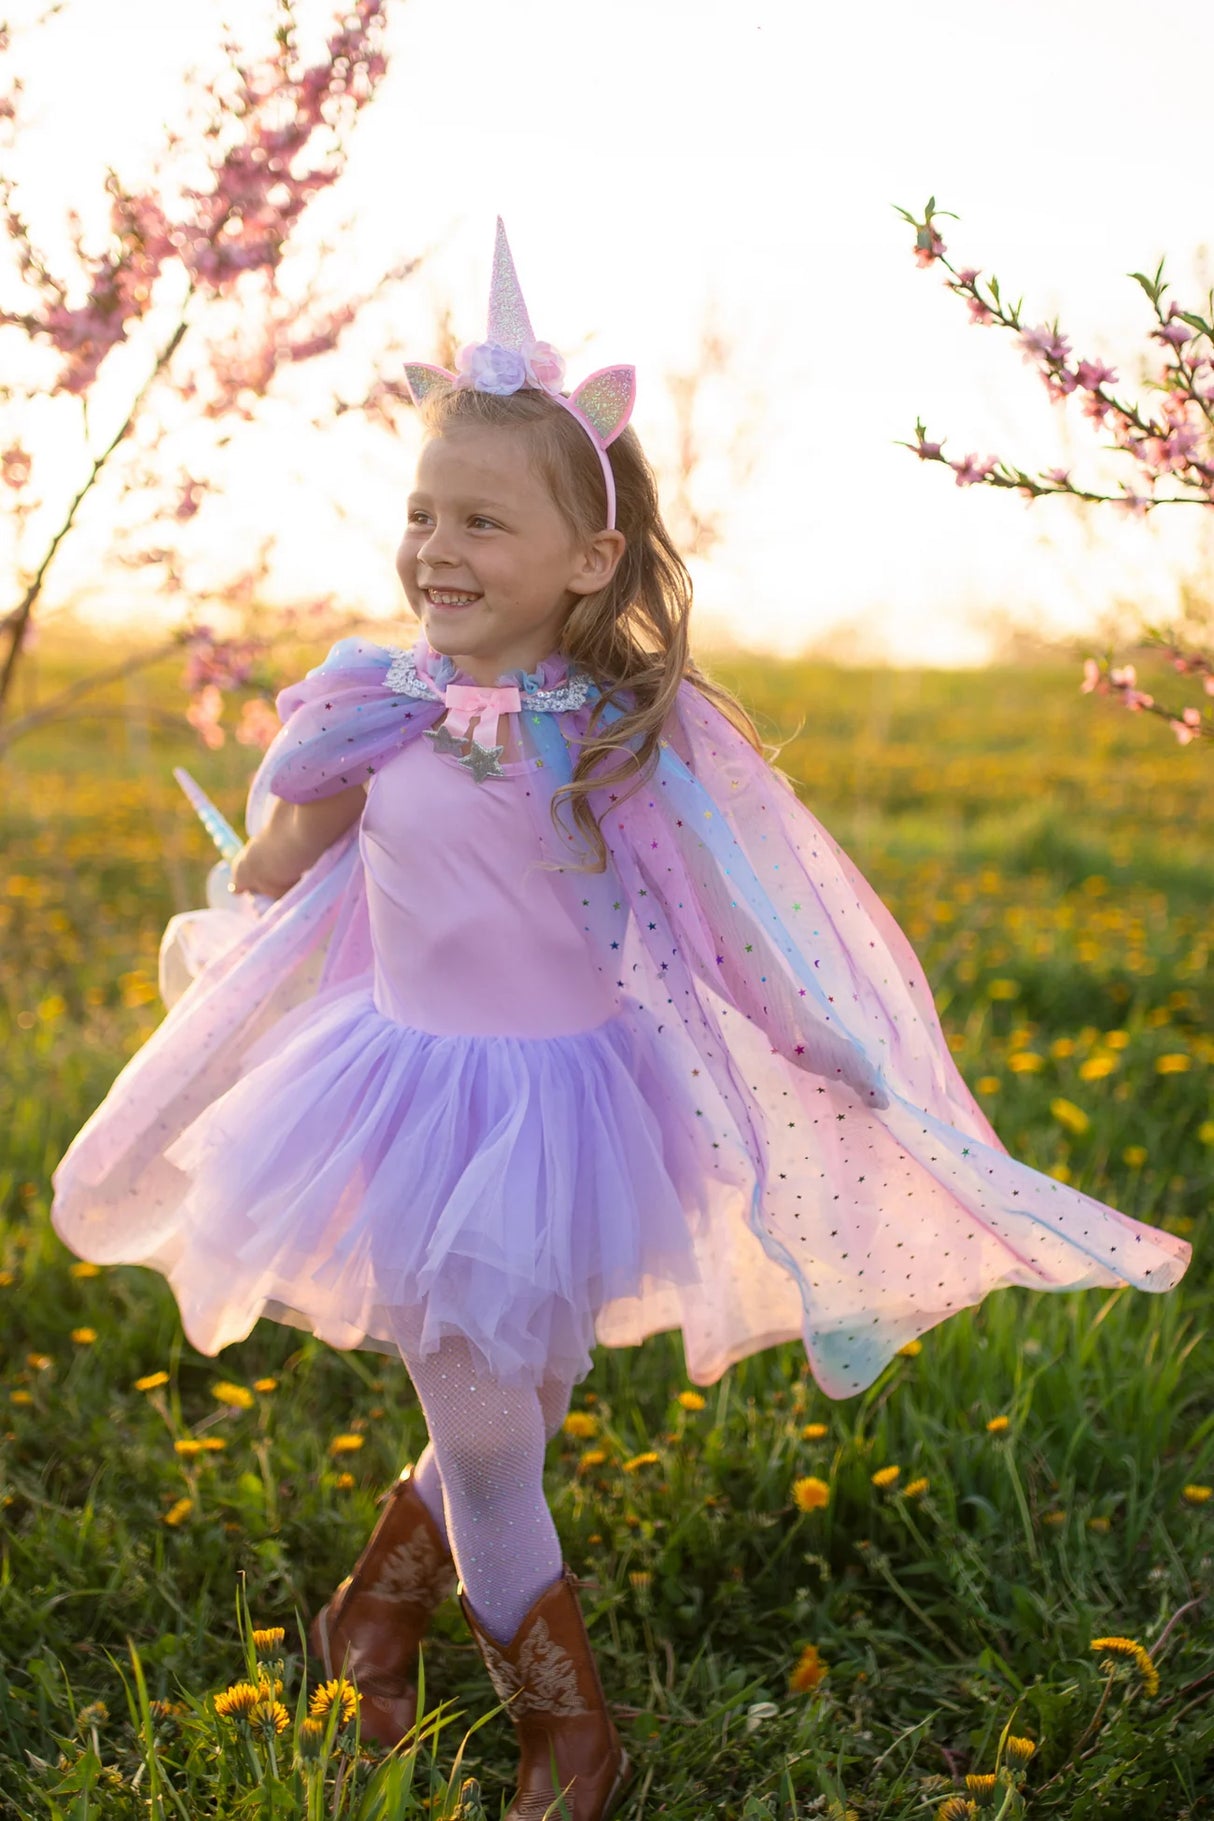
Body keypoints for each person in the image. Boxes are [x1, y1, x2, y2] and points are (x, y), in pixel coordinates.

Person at [50, 221, 1192, 1821]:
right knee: (497, 1442)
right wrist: (287, 800)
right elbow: (274, 873)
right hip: (410, 1104)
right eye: (420, 515)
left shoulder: (612, 737)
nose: (435, 549)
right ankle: (568, 1741)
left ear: (585, 558)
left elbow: (717, 920)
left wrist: (817, 1038)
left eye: (480, 522)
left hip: (578, 1112)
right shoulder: (363, 712)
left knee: (521, 1404)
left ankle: (371, 1611)